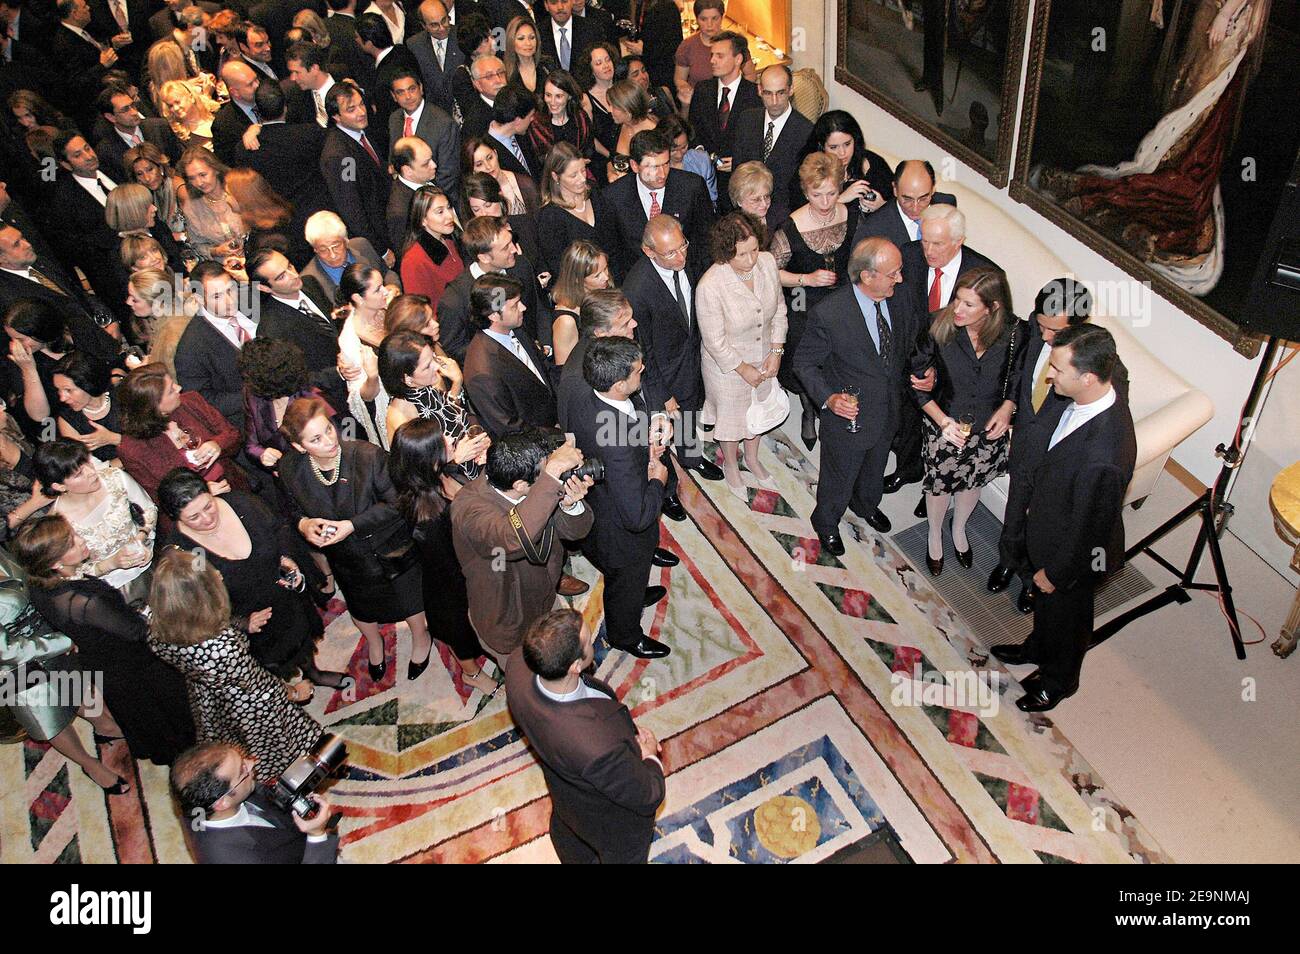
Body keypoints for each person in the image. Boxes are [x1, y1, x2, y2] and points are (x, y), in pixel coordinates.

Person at [989, 324, 1137, 712]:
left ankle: (1059, 680)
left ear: (1087, 378)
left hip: (1073, 559)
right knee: (1047, 612)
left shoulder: (1104, 455)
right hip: (1049, 527)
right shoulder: (1098, 386)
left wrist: (1054, 574)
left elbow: (1089, 528)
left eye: (1057, 369)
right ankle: (1037, 648)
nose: (1048, 375)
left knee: (1069, 620)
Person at [14, 514, 195, 764]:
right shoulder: (85, 602)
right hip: (132, 663)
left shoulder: (40, 584)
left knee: (145, 717)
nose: (81, 540)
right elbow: (136, 632)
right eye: (71, 543)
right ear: (55, 563)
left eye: (73, 534)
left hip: (103, 659)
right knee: (170, 714)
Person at [278, 396, 433, 682]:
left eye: (328, 429)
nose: (329, 440)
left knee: (409, 601)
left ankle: (421, 637)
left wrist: (352, 525)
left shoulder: (367, 456)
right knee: (361, 606)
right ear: (300, 447)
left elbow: (399, 503)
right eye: (316, 438)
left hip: (389, 549)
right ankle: (375, 642)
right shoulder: (291, 469)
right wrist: (304, 524)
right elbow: (290, 508)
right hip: (347, 558)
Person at [793, 238, 928, 556]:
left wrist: (924, 368)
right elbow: (804, 363)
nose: (901, 278)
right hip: (847, 418)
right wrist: (828, 399)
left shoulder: (898, 297)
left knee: (873, 470)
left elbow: (911, 341)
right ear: (868, 276)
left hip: (887, 410)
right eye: (893, 273)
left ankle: (865, 505)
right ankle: (826, 522)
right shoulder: (830, 314)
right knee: (839, 476)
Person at [159, 468, 345, 689]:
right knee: (269, 668)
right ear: (175, 519)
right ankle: (285, 693)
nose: (207, 519)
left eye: (208, 506)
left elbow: (279, 529)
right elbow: (198, 610)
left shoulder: (241, 503)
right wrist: (241, 622)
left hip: (283, 595)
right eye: (194, 517)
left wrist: (286, 558)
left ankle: (314, 673)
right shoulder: (184, 554)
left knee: (301, 637)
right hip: (251, 621)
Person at [148, 547, 323, 781]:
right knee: (273, 748)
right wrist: (294, 692)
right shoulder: (224, 649)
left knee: (227, 736)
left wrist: (241, 624)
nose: (219, 576)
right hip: (248, 704)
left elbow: (196, 624)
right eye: (212, 578)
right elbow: (262, 688)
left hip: (208, 698)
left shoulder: (157, 626)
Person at [505, 607, 665, 863]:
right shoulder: (596, 746)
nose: (594, 643)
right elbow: (648, 795)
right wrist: (649, 757)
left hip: (567, 794)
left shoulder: (516, 665)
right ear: (576, 665)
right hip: (609, 822)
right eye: (589, 641)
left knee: (571, 837)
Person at [886, 203, 1000, 501]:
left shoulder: (984, 275)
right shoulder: (908, 256)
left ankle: (934, 491)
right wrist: (918, 367)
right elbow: (898, 312)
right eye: (925, 240)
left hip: (954, 377)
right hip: (912, 361)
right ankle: (908, 469)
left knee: (946, 440)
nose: (928, 250)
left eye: (937, 243)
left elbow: (985, 338)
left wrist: (938, 373)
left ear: (958, 241)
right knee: (909, 422)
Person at [567, 335, 672, 658]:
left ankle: (635, 593)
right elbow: (638, 517)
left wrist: (653, 424)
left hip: (603, 499)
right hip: (621, 535)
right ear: (617, 383)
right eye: (638, 371)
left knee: (631, 583)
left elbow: (635, 409)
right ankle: (625, 634)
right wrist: (658, 479)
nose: (643, 373)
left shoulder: (588, 395)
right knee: (625, 581)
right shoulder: (619, 446)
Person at [0, 544, 134, 796]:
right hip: (14, 668)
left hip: (47, 634)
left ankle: (104, 726)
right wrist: (60, 642)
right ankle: (89, 763)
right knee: (50, 720)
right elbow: (5, 652)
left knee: (78, 685)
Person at [450, 428, 594, 660]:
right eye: (543, 474)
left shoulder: (538, 489)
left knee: (558, 657)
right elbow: (511, 539)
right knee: (524, 677)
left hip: (545, 594)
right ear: (518, 485)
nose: (549, 478)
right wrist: (553, 473)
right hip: (508, 613)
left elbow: (577, 532)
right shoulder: (469, 506)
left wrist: (569, 505)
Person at [914, 268, 1022, 576]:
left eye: (969, 304)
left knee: (972, 480)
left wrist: (1007, 408)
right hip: (944, 420)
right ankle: (935, 534)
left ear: (993, 308)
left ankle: (958, 528)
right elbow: (915, 382)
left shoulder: (1014, 332)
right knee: (940, 485)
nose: (957, 309)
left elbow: (1017, 376)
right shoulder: (937, 325)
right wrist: (943, 422)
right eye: (957, 300)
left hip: (989, 427)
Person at [389, 417, 499, 694]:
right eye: (443, 441)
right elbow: (457, 557)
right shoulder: (428, 516)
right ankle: (471, 672)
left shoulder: (435, 475)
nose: (451, 440)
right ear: (430, 458)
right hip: (453, 582)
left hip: (460, 567)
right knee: (460, 630)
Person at [623, 215, 721, 490]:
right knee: (660, 431)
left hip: (689, 359)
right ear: (649, 252)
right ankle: (664, 487)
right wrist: (662, 392)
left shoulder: (689, 263)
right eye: (670, 253)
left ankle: (691, 457)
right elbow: (643, 349)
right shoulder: (637, 288)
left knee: (689, 412)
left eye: (683, 246)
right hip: (660, 373)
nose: (680, 257)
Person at [696, 210, 787, 499]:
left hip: (764, 356)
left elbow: (780, 312)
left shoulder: (768, 263)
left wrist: (776, 351)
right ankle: (732, 466)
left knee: (757, 415)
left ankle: (752, 458)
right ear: (725, 254)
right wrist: (743, 368)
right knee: (732, 420)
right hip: (727, 367)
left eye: (754, 250)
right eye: (741, 255)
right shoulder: (710, 285)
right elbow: (714, 341)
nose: (750, 260)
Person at [772, 152, 860, 450]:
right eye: (816, 194)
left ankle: (831, 402)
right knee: (804, 354)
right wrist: (806, 279)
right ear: (805, 191)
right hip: (802, 302)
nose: (824, 203)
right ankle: (809, 409)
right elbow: (771, 272)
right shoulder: (790, 227)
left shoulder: (852, 215)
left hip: (841, 302)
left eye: (832, 193)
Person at [170, 741, 339, 863]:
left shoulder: (195, 801)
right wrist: (317, 835)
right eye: (242, 770)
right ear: (222, 802)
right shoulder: (238, 858)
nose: (252, 764)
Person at [116, 362, 246, 501]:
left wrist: (217, 444)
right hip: (192, 513)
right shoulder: (131, 449)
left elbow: (233, 434)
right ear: (153, 407)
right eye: (171, 390)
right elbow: (159, 497)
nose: (179, 388)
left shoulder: (191, 401)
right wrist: (198, 492)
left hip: (234, 486)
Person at [599, 128, 714, 281]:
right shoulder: (613, 197)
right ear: (634, 165)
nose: (662, 174)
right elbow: (612, 252)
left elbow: (706, 238)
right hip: (639, 283)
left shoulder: (691, 187)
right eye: (653, 167)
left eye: (665, 164)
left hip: (687, 276)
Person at [379, 329, 479, 476]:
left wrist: (457, 382)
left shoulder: (426, 386)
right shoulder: (402, 418)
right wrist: (457, 459)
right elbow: (420, 476)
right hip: (458, 488)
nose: (436, 366)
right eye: (427, 366)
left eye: (433, 357)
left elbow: (449, 416)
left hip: (475, 465)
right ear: (407, 378)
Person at [729, 64, 813, 227]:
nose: (774, 102)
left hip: (785, 221)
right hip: (746, 217)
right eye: (768, 93)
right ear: (759, 90)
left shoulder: (806, 132)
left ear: (791, 90)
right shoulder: (747, 119)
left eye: (780, 93)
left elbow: (801, 191)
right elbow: (737, 173)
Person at [173, 261, 255, 428]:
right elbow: (202, 401)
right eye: (217, 296)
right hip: (248, 422)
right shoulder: (191, 348)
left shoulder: (252, 304)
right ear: (199, 299)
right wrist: (254, 396)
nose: (230, 300)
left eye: (230, 289)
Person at [320, 80, 394, 259]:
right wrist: (380, 250)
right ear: (336, 116)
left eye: (361, 104)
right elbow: (352, 209)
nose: (361, 112)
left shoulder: (360, 131)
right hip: (377, 238)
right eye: (351, 109)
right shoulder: (342, 156)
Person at [685, 29, 758, 186]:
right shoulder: (702, 89)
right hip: (704, 177)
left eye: (720, 56)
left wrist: (740, 160)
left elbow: (759, 139)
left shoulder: (754, 95)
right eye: (712, 55)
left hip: (741, 180)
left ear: (738, 59)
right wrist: (701, 153)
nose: (712, 60)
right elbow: (692, 129)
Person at [334, 263, 394, 448]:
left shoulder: (389, 309)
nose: (385, 291)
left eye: (382, 285)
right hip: (393, 412)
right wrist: (373, 376)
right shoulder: (350, 341)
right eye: (378, 289)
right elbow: (362, 399)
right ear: (358, 298)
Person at [852, 158, 957, 254]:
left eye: (923, 199)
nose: (916, 208)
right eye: (907, 199)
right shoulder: (872, 231)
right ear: (895, 189)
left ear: (933, 189)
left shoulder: (947, 205)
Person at [536, 141, 608, 279]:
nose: (582, 179)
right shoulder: (550, 216)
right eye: (573, 175)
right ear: (556, 177)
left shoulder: (594, 192)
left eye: (583, 170)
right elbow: (560, 267)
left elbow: (613, 241)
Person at [804, 109, 892, 216]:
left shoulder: (874, 163)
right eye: (833, 147)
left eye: (847, 144)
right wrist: (840, 199)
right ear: (821, 147)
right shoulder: (808, 170)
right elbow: (801, 215)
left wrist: (882, 206)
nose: (842, 153)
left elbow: (899, 205)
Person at [300, 210, 399, 304]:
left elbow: (386, 273)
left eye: (336, 246)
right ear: (314, 249)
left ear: (346, 240)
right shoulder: (309, 282)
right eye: (323, 250)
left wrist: (393, 286)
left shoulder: (362, 245)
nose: (332, 255)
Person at [674, 0, 755, 106]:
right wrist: (685, 88)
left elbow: (750, 74)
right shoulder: (687, 46)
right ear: (696, 19)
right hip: (700, 103)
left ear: (722, 17)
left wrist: (738, 97)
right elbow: (680, 78)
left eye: (714, 18)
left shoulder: (735, 42)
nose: (709, 24)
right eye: (703, 19)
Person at [176, 147, 247, 264]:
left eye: (203, 175)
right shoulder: (191, 206)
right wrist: (217, 251)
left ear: (216, 169)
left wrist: (242, 211)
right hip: (224, 267)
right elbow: (196, 245)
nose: (199, 183)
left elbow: (262, 221)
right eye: (192, 178)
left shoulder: (238, 188)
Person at [549, 239, 610, 367]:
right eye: (597, 275)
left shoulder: (602, 290)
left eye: (605, 269)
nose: (606, 277)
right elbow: (565, 370)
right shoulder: (566, 321)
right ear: (577, 279)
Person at [400, 185, 464, 305]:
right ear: (423, 219)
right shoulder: (414, 260)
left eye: (449, 208)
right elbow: (421, 310)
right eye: (440, 212)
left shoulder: (448, 240)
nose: (450, 216)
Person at [52, 351, 121, 462]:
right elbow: (87, 466)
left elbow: (151, 441)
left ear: (88, 384)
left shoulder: (122, 396)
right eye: (58, 390)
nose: (62, 398)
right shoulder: (68, 420)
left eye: (68, 390)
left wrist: (113, 438)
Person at [527, 70, 594, 167]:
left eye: (558, 96)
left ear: (569, 96)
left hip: (581, 171)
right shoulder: (536, 124)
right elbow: (539, 160)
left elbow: (589, 149)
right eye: (548, 95)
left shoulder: (580, 117)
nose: (552, 102)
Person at [462, 134, 539, 216]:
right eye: (479, 164)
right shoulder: (470, 197)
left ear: (496, 154)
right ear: (472, 171)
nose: (488, 166)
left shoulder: (524, 184)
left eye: (490, 158)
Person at [605, 79, 658, 183]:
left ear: (628, 110)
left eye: (613, 106)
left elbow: (656, 175)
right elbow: (611, 160)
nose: (609, 110)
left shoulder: (653, 135)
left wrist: (629, 181)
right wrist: (610, 173)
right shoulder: (617, 126)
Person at [662, 114, 717, 206]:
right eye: (673, 150)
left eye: (684, 147)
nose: (679, 154)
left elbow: (712, 200)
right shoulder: (657, 166)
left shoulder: (701, 161)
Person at [727, 160, 774, 239]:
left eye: (766, 196)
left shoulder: (781, 222)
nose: (764, 204)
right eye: (756, 199)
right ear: (739, 200)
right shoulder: (731, 231)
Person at [503, 14, 549, 94]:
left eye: (532, 38)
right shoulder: (504, 72)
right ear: (511, 42)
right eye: (521, 38)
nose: (528, 43)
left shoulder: (547, 65)